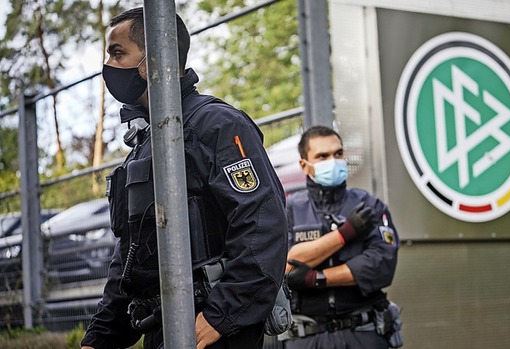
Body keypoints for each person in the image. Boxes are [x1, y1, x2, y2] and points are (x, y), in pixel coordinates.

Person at [80, 7, 287, 349]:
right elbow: (129, 256)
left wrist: (217, 319)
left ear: (155, 57)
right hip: (164, 330)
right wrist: (100, 336)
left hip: (212, 331)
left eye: (118, 54)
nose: (109, 67)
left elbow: (263, 226)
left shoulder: (217, 124)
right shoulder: (144, 146)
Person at [282, 125, 402, 348]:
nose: (333, 161)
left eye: (338, 154)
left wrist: (316, 279)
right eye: (322, 156)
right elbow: (287, 266)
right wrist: (345, 234)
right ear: (304, 165)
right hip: (306, 337)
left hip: (363, 332)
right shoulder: (289, 210)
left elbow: (380, 265)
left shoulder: (368, 205)